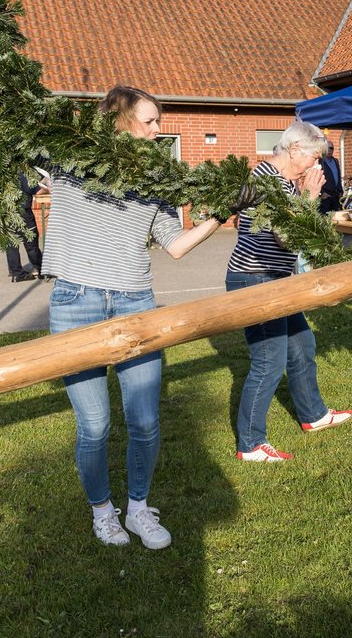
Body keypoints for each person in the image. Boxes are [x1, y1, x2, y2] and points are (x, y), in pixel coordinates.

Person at [28, 86, 226, 548]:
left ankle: (138, 508)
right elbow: (2, 133)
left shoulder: (154, 179)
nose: (159, 131)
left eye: (159, 122)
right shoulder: (72, 159)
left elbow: (174, 244)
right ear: (119, 119)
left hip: (136, 302)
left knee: (145, 421)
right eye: (150, 121)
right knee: (94, 425)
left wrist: (223, 215)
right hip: (76, 301)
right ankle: (103, 511)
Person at [228, 121, 352, 463]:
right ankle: (251, 443)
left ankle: (313, 414)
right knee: (268, 362)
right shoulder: (270, 182)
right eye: (314, 157)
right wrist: (310, 197)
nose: (316, 165)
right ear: (295, 149)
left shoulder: (280, 180)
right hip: (256, 280)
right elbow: (287, 236)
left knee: (301, 346)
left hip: (276, 279)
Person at [6, 173, 44, 281]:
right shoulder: (22, 176)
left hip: (6, 214)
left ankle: (16, 273)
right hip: (24, 213)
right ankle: (40, 269)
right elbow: (39, 191)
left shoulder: (2, 176)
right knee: (31, 242)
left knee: (11, 244)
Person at [317, 149, 344, 214]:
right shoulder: (320, 162)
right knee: (325, 218)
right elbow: (316, 178)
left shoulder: (335, 161)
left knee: (336, 217)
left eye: (331, 148)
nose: (329, 150)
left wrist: (340, 190)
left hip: (335, 195)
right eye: (328, 148)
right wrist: (321, 192)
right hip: (325, 196)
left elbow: (338, 176)